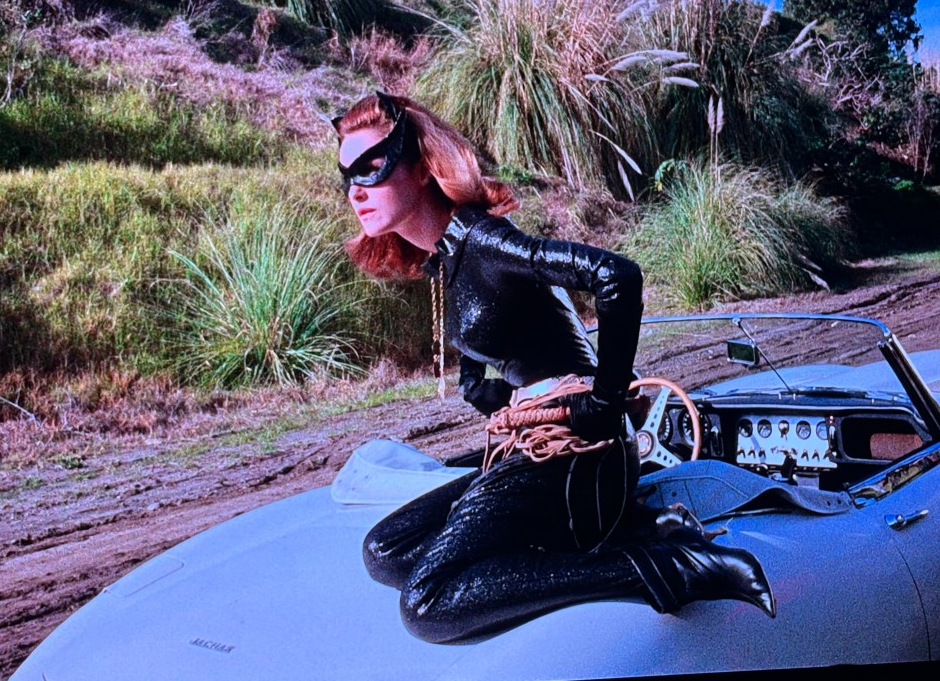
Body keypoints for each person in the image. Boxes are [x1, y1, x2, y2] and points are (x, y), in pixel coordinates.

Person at [332, 91, 775, 644]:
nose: (355, 190)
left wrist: (605, 401)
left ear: (422, 167)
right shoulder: (446, 257)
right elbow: (492, 350)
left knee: (426, 602)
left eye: (371, 168)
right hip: (537, 447)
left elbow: (617, 275)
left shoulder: (484, 239)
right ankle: (634, 528)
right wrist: (493, 395)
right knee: (385, 550)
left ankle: (679, 567)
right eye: (346, 175)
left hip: (579, 453)